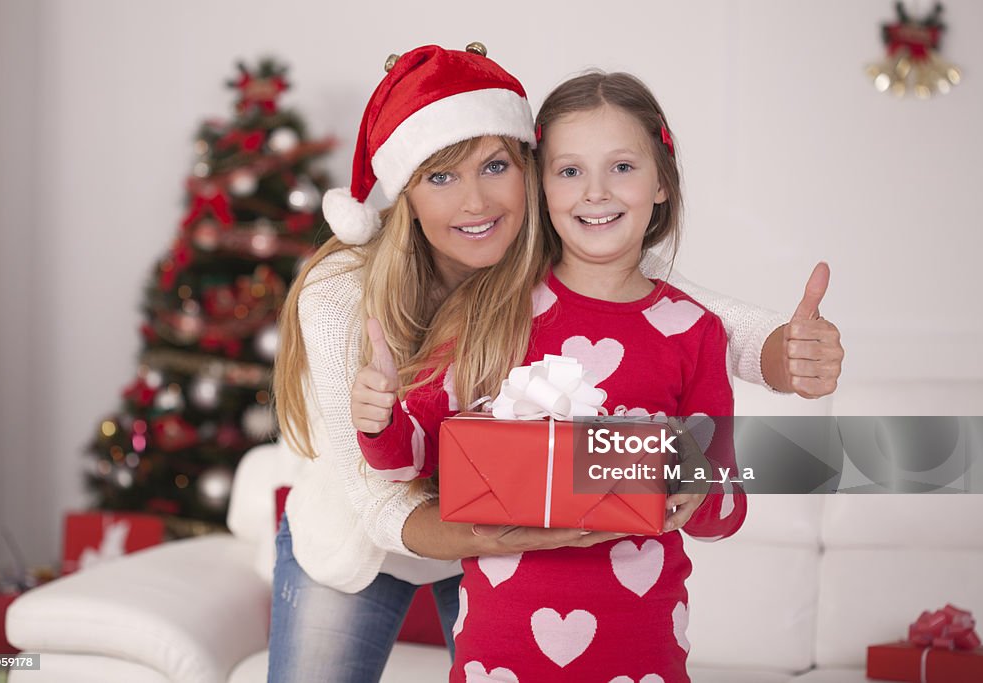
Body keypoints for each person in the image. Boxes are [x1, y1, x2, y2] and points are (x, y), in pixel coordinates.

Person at [271, 44, 843, 682]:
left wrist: (789, 355)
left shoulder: (561, 247)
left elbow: (690, 317)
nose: (476, 202)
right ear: (404, 194)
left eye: (494, 167)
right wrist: (391, 429)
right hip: (379, 539)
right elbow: (380, 493)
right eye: (440, 177)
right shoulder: (339, 295)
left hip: (510, 545)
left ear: (529, 172)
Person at [354, 70, 749, 681]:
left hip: (642, 659)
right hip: (500, 659)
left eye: (622, 167)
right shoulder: (488, 310)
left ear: (662, 184)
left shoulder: (694, 333)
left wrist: (698, 485)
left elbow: (722, 510)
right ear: (541, 188)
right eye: (569, 171)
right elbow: (411, 458)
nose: (595, 192)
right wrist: (378, 415)